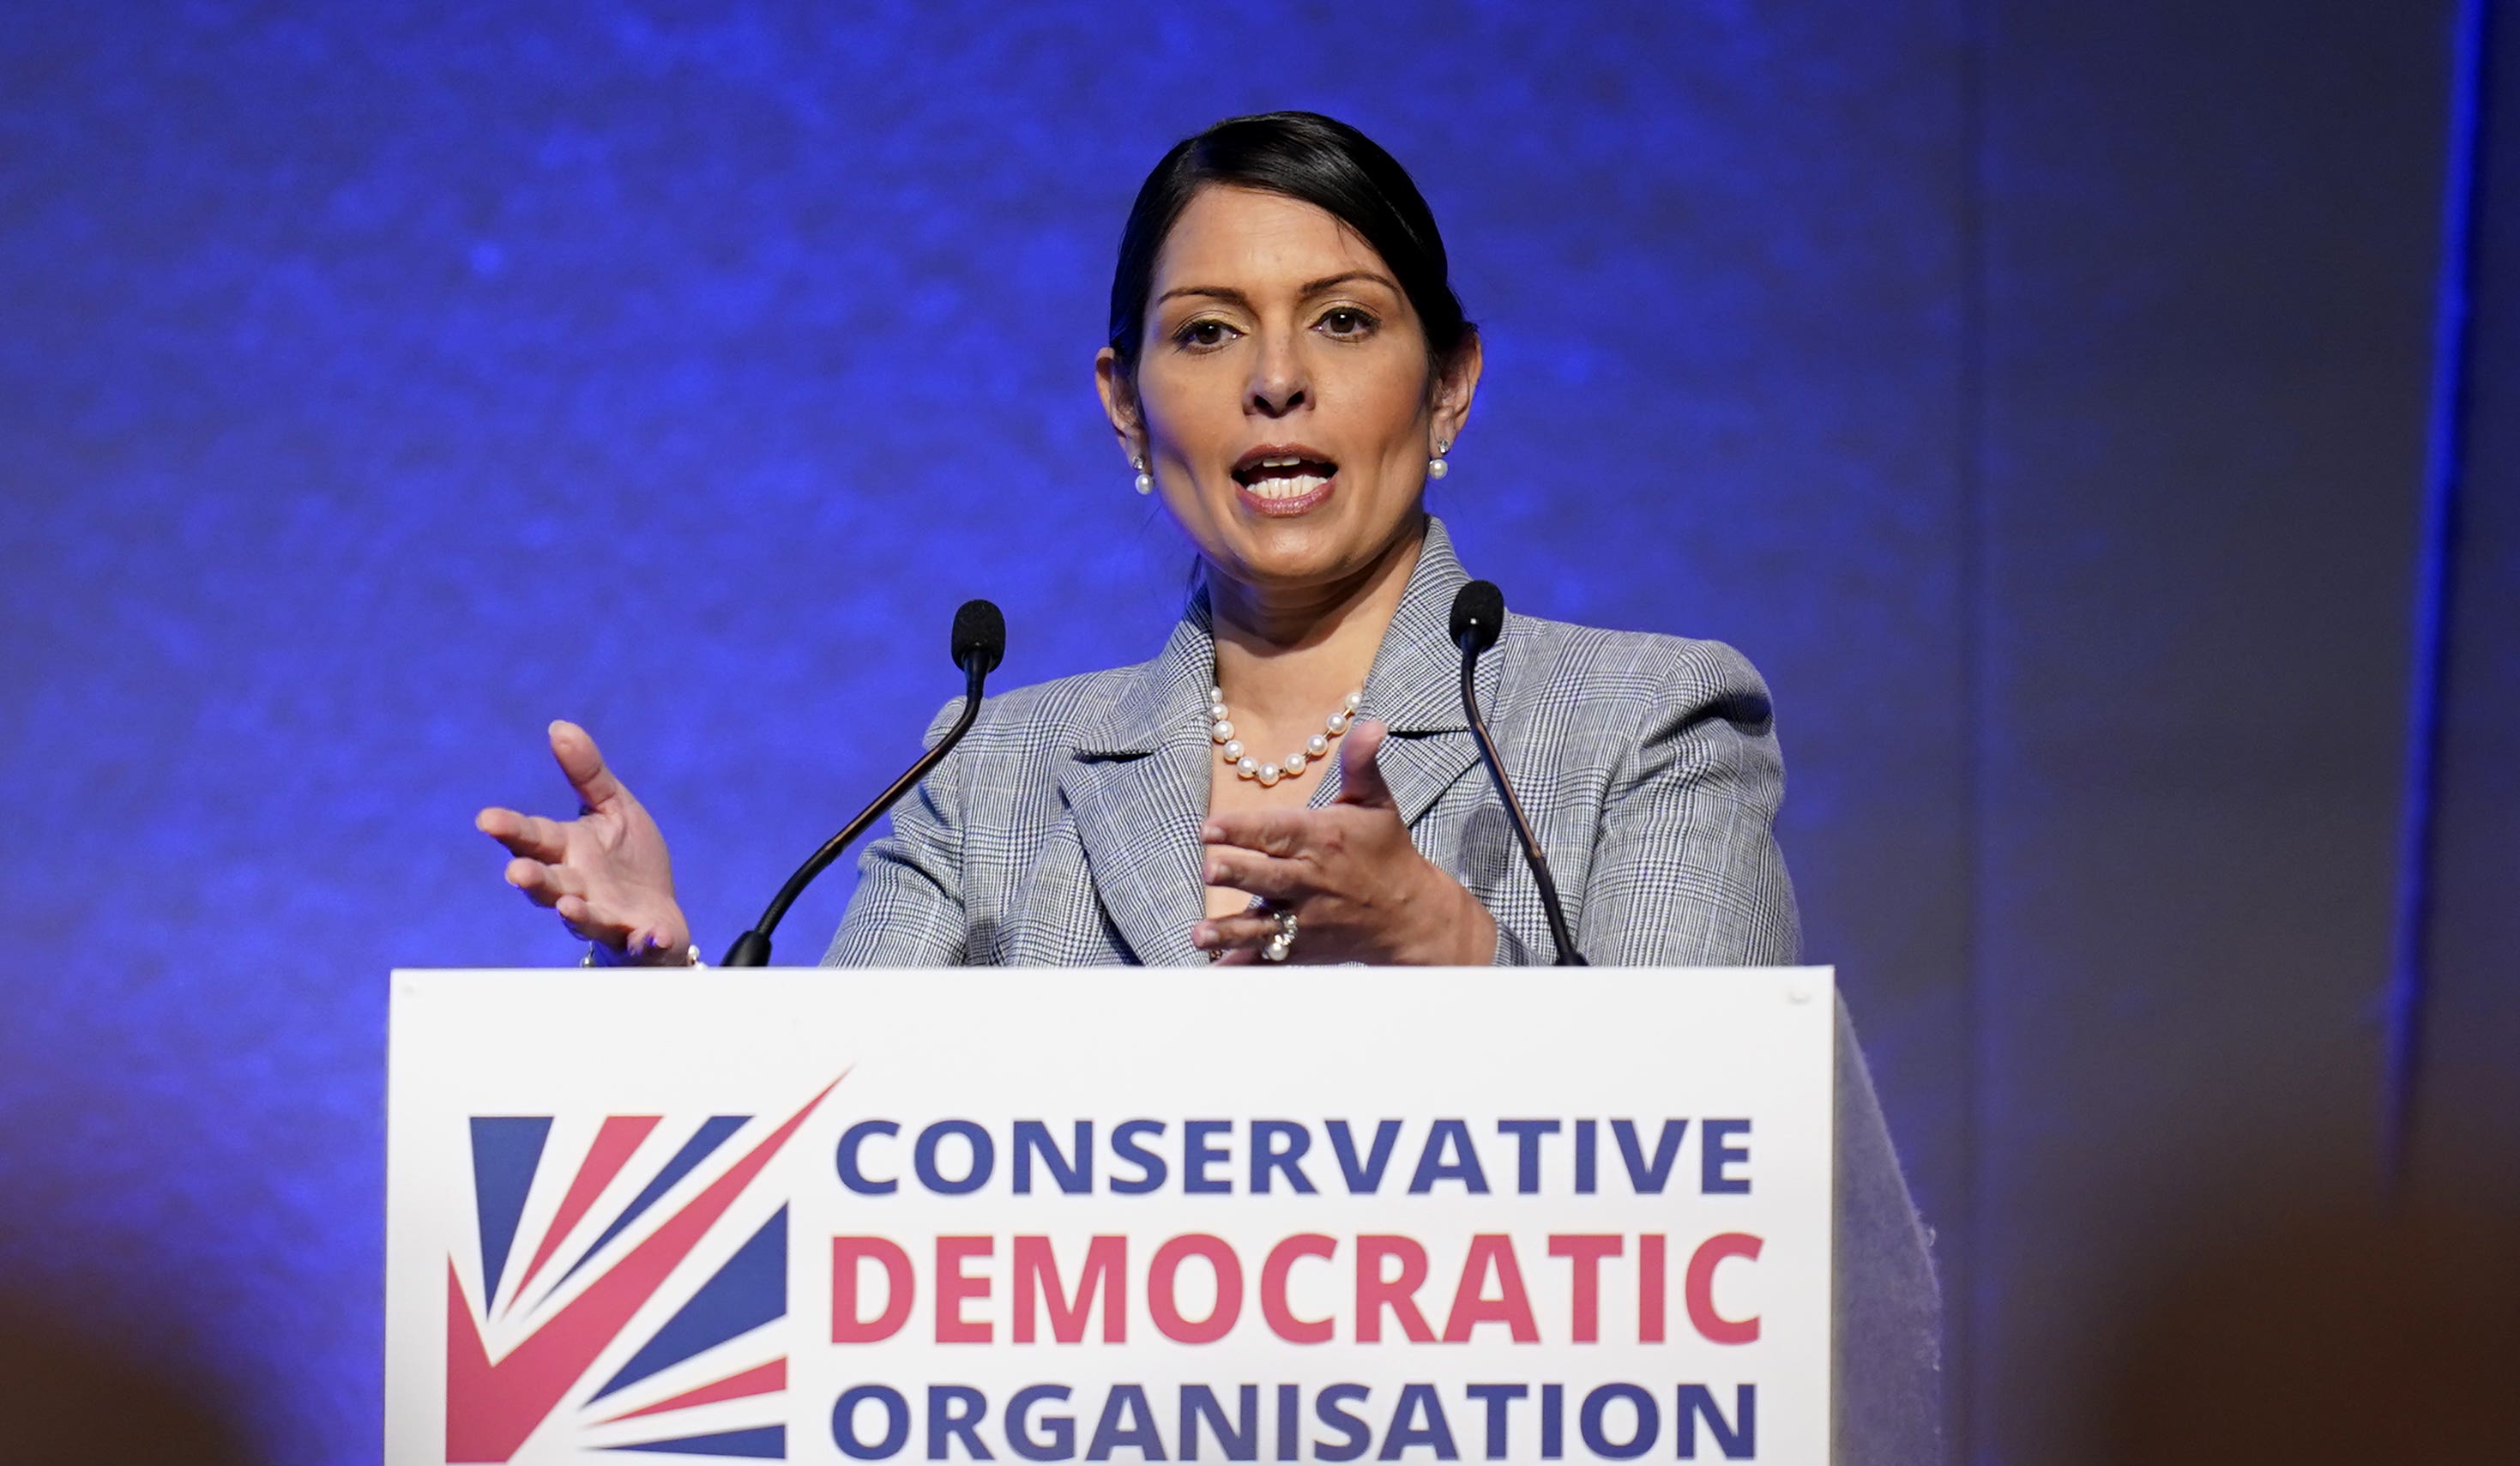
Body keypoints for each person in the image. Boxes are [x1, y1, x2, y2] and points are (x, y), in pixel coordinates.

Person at [478, 111, 1799, 969]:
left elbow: (1736, 1182)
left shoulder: (1645, 727)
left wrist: (1452, 953)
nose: (1274, 380)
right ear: (1125, 405)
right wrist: (661, 981)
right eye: (1208, 332)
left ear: (1449, 381)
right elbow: (839, 1172)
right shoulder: (989, 773)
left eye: (1342, 321)